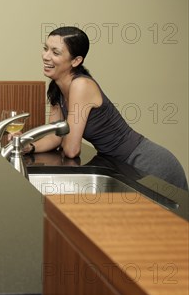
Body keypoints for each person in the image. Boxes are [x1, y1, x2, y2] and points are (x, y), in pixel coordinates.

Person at [31, 26, 188, 190]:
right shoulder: (57, 89)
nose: (45, 56)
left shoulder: (81, 85)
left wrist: (57, 141)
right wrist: (29, 146)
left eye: (55, 52)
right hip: (122, 163)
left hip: (147, 162)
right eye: (45, 48)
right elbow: (55, 137)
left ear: (76, 61)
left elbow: (71, 149)